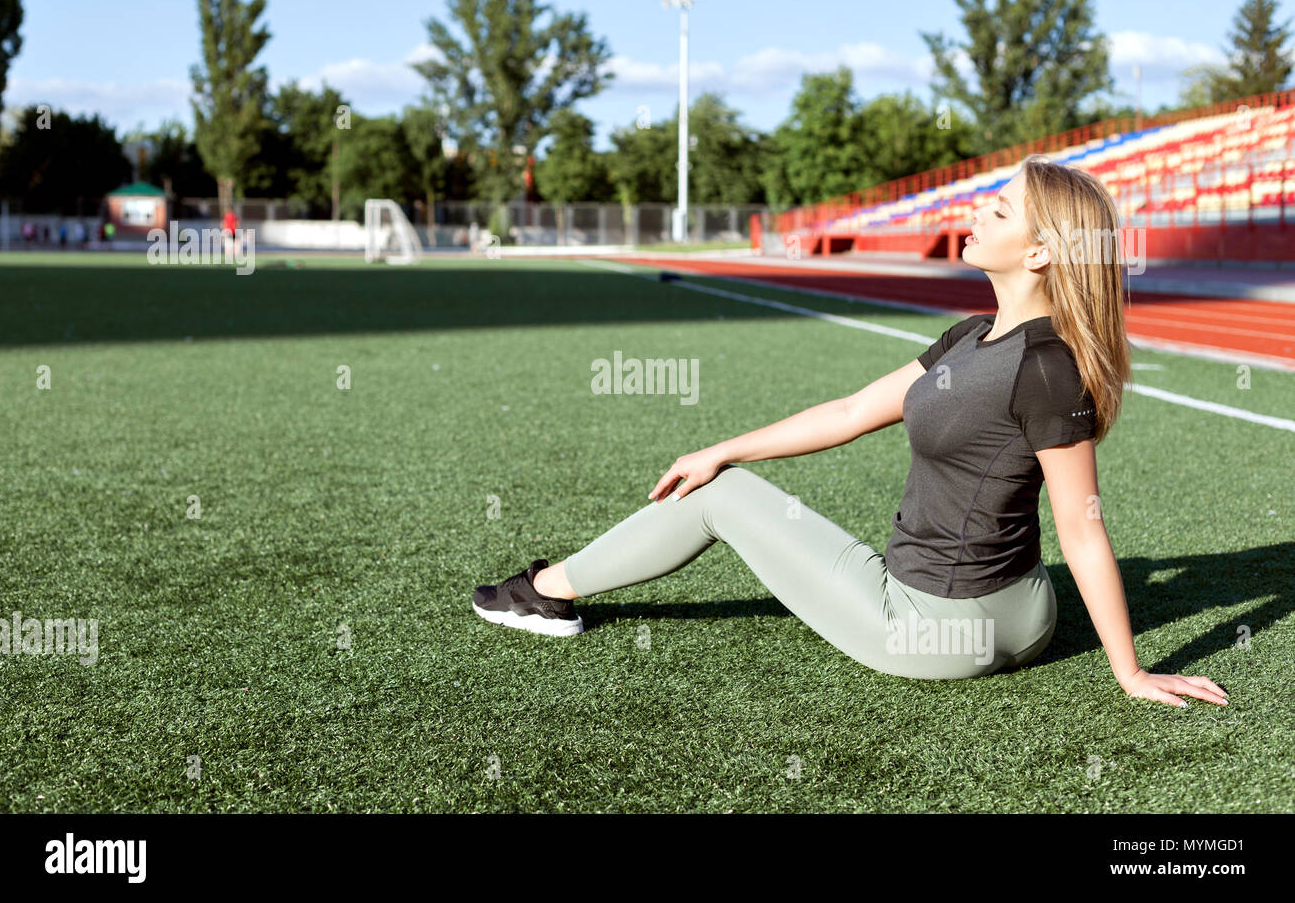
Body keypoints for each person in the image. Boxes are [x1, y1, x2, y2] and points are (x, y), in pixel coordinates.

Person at [471, 153, 1230, 711]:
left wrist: (1130, 672)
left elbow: (1082, 526)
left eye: (999, 210)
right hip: (1027, 618)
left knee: (720, 499)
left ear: (1038, 253)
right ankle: (555, 583)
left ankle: (542, 592)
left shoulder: (1045, 366)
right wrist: (723, 446)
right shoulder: (973, 337)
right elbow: (851, 412)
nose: (977, 212)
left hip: (937, 631)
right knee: (724, 474)